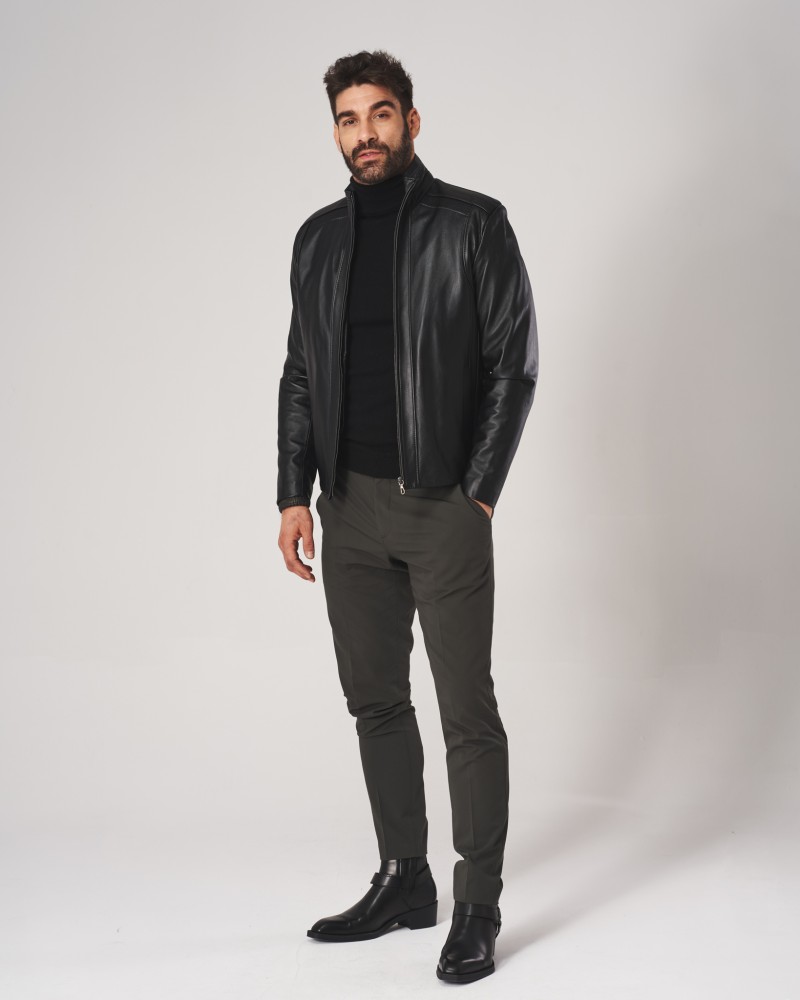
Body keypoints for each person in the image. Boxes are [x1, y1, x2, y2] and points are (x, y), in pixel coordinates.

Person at [276, 49, 538, 985]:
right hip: (347, 507)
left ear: (411, 121)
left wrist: (479, 490)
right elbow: (300, 371)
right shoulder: (317, 240)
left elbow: (513, 363)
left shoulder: (473, 223)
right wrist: (291, 493)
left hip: (441, 505)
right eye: (349, 119)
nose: (366, 134)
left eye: (381, 114)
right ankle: (404, 879)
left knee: (468, 711)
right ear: (335, 132)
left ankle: (476, 906)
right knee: (376, 701)